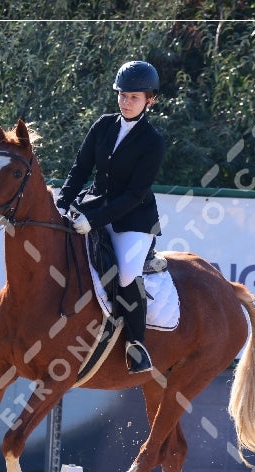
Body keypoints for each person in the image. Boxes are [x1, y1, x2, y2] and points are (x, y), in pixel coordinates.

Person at [55, 60, 165, 374]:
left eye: (134, 97)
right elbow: (79, 170)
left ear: (149, 100)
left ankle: (136, 343)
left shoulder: (152, 141)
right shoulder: (103, 125)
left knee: (127, 273)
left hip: (133, 219)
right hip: (93, 203)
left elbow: (133, 195)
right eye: (122, 95)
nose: (126, 102)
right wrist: (62, 203)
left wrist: (95, 220)